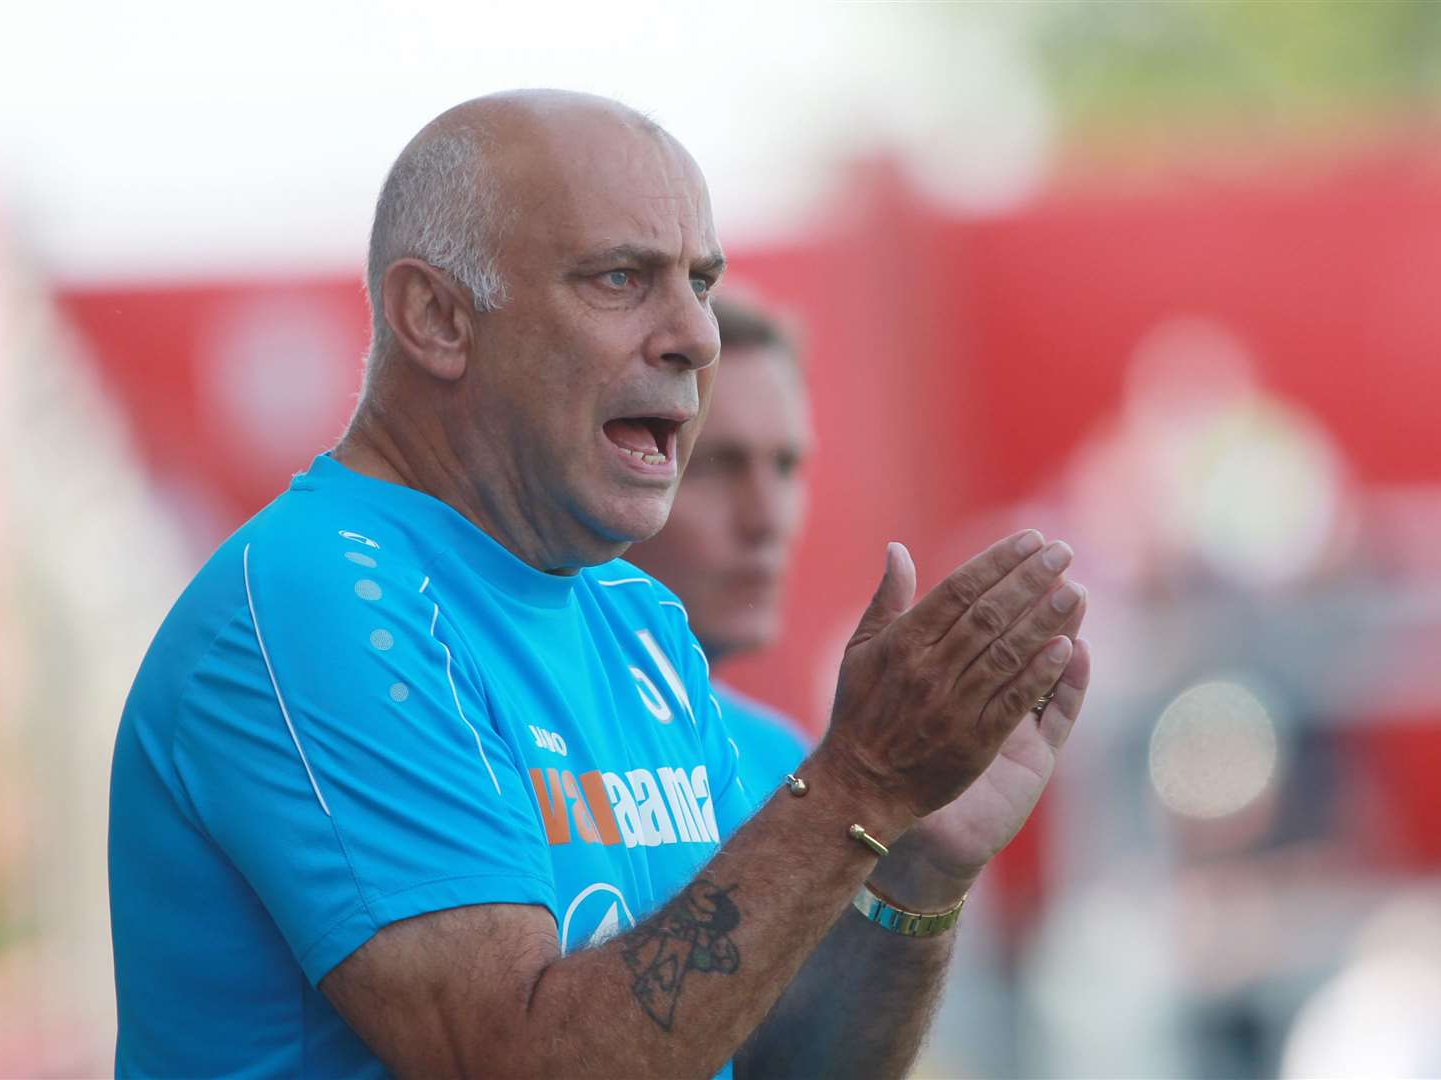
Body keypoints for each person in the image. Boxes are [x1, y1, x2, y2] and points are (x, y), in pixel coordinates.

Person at [108, 89, 1092, 1079]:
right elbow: (521, 1064)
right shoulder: (323, 601)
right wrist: (858, 781)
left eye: (700, 282)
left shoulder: (637, 622)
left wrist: (916, 861)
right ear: (437, 316)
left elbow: (773, 1066)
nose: (696, 337)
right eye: (622, 278)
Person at [626, 293, 814, 796]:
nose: (767, 519)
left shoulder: (788, 763)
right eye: (717, 465)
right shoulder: (526, 737)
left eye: (786, 466)